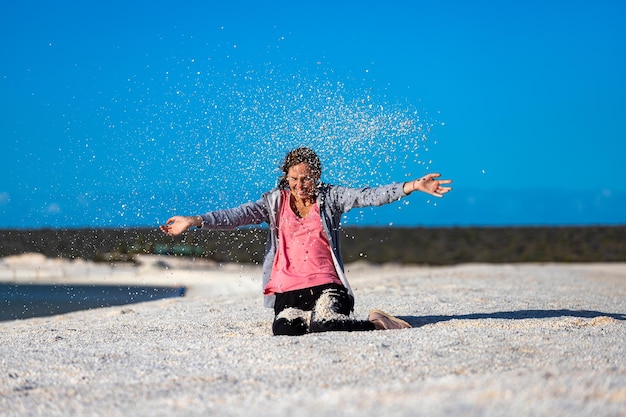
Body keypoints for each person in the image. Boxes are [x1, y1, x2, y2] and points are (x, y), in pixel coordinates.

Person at [160, 147, 452, 336]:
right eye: (294, 179)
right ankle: (311, 317)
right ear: (286, 178)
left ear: (317, 176)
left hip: (327, 285)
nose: (301, 185)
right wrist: (194, 220)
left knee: (328, 323)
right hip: (288, 290)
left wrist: (411, 186)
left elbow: (368, 196)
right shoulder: (273, 203)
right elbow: (237, 215)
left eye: (307, 179)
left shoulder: (331, 198)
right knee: (285, 329)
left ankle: (378, 322)